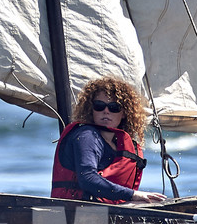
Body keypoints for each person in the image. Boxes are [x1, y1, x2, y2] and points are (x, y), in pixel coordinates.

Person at [50, 76, 167, 204]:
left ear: (124, 113)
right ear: (91, 109)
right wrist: (132, 195)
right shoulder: (86, 136)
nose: (106, 111)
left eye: (114, 107)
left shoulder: (118, 144)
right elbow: (87, 178)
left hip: (105, 210)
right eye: (99, 106)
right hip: (75, 213)